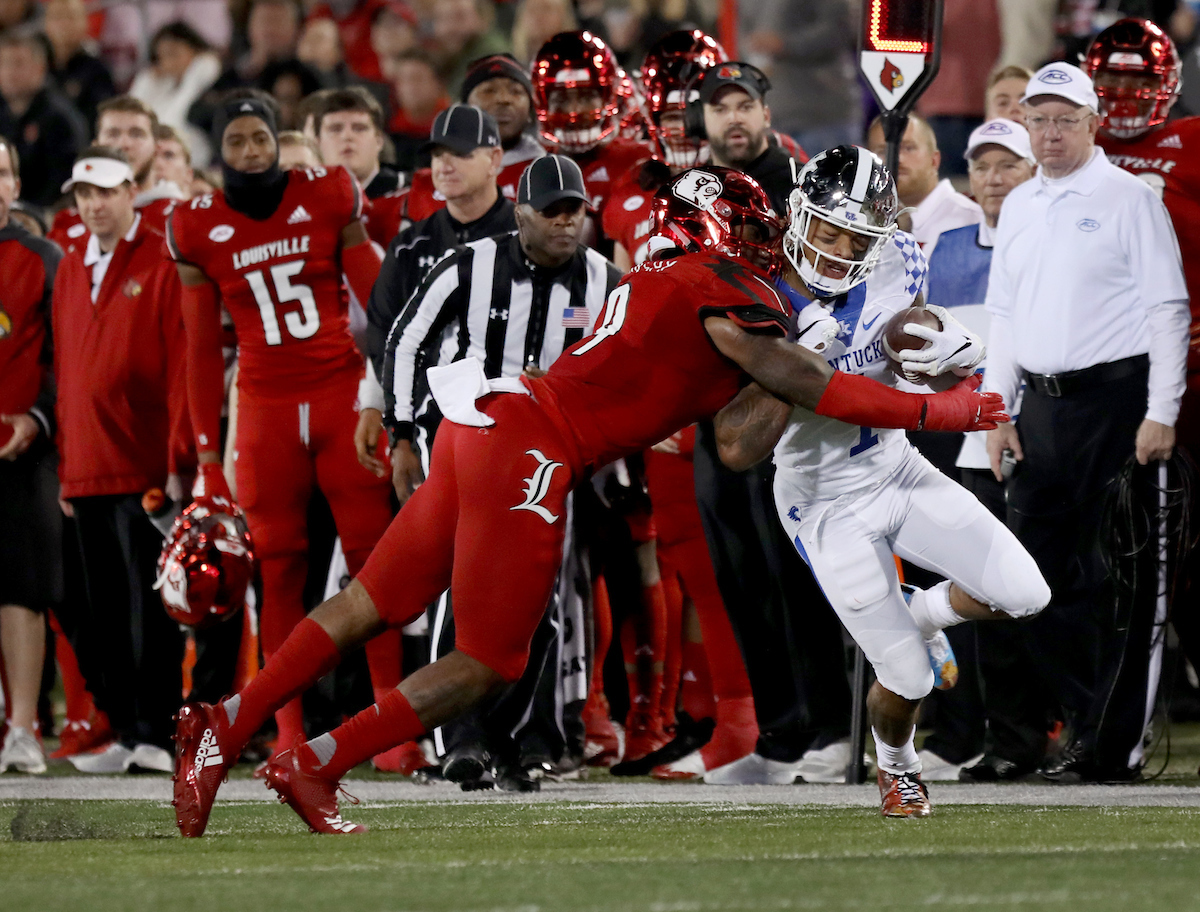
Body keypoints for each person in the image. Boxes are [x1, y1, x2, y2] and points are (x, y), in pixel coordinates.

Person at [172, 164, 1007, 837]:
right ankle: (315, 761)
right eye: (750, 229)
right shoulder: (718, 285)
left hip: (492, 421)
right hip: (532, 448)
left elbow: (741, 435)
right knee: (489, 659)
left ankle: (225, 725)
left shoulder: (676, 278)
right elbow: (807, 382)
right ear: (721, 231)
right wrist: (945, 409)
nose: (765, 244)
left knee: (372, 600)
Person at [713, 145, 1049, 816]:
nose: (839, 250)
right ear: (797, 216)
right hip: (821, 500)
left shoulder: (899, 257)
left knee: (1025, 592)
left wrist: (939, 354)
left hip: (896, 466)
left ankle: (918, 614)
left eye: (856, 237)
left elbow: (906, 346)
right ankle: (896, 765)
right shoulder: (754, 288)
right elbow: (734, 447)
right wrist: (797, 364)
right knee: (907, 676)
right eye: (829, 231)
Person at [168, 89, 393, 768]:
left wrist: (385, 398)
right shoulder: (195, 223)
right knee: (278, 571)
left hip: (337, 391)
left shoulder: (327, 191)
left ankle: (387, 720)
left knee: (372, 556)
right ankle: (288, 728)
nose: (248, 152)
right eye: (234, 142)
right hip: (263, 406)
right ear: (218, 148)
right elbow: (202, 351)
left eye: (258, 138)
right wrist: (209, 458)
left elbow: (378, 298)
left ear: (276, 136)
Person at [381, 154, 618, 788]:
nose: (567, 223)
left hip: (549, 462)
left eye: (576, 211)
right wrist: (401, 433)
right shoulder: (470, 266)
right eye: (554, 211)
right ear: (520, 214)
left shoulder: (605, 281)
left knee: (542, 600)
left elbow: (627, 371)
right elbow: (407, 338)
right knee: (465, 591)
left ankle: (524, 738)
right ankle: (459, 739)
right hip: (471, 450)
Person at [983, 63, 1189, 783]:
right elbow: (1003, 312)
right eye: (1038, 119)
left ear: (1093, 123)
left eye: (1064, 119)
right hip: (1039, 409)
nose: (1050, 132)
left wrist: (1162, 411)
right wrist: (997, 408)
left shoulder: (1130, 197)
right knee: (1024, 581)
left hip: (1116, 404)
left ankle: (1112, 749)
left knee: (1122, 581)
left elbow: (1169, 308)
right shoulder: (1021, 206)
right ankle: (1087, 721)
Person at [684, 58, 852, 786]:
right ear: (704, 119)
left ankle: (831, 725)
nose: (734, 119)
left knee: (792, 568)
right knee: (740, 573)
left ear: (763, 107)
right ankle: (782, 734)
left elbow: (838, 282)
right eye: (720, 107)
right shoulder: (692, 191)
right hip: (710, 399)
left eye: (743, 104)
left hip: (784, 398)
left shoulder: (811, 185)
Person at [53, 147, 193, 774]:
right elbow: (65, 369)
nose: (94, 205)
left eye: (106, 192)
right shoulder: (68, 266)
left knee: (151, 606)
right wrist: (64, 462)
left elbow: (179, 366)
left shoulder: (160, 258)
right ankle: (123, 728)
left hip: (144, 463)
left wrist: (177, 461)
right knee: (102, 605)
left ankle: (157, 733)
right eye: (85, 196)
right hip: (85, 462)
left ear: (131, 190)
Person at [1086, 20, 1200, 738]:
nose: (1125, 95)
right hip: (1105, 377)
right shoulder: (1070, 145)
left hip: (1191, 371)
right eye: (1114, 81)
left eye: (1138, 80)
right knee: (1112, 550)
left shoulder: (1193, 142)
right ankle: (1116, 716)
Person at [918, 120, 1039, 783]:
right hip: (964, 443)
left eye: (1008, 166)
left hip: (1040, 432)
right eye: (984, 167)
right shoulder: (947, 247)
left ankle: (1042, 728)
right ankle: (992, 733)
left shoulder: (1045, 240)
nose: (994, 179)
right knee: (982, 589)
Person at [0, 137, 61, 775]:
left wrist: (37, 419)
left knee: (22, 589)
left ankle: (23, 729)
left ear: (14, 185)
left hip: (24, 451)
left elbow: (65, 354)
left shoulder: (45, 258)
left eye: (0, 172)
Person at [529, 31, 651, 250]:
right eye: (562, 100)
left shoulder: (639, 160)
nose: (574, 111)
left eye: (586, 98)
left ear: (609, 96)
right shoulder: (530, 164)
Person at [399, 54, 545, 221]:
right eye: (489, 91)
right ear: (465, 106)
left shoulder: (549, 173)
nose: (504, 99)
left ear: (531, 111)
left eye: (516, 91)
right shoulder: (427, 183)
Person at [49, 96, 186, 254]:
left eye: (136, 134)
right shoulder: (67, 224)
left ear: (156, 148)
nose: (124, 145)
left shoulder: (181, 220)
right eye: (113, 134)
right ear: (96, 146)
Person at [739, 0, 861, 155]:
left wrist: (785, 45)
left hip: (822, 116)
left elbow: (838, 30)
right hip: (774, 117)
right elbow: (744, 35)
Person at [866, 113, 981, 255]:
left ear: (934, 160)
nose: (897, 159)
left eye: (908, 148)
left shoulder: (971, 221)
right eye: (883, 151)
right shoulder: (860, 222)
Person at [0, 27, 88, 207]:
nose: (9, 72)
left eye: (18, 63)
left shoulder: (60, 119)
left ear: (40, 68)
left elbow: (62, 185)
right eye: (4, 63)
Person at [313, 86, 405, 246]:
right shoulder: (305, 206)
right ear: (317, 143)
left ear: (379, 140)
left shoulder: (411, 195)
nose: (347, 136)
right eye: (335, 129)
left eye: (359, 128)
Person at [129, 21, 221, 167]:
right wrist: (146, 79)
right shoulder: (164, 88)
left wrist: (201, 58)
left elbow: (208, 64)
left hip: (196, 163)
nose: (168, 61)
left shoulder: (202, 76)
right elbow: (133, 112)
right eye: (162, 56)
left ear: (195, 50)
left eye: (174, 53)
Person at [42, 0, 116, 132]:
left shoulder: (97, 71)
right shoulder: (37, 69)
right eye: (57, 17)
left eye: (71, 17)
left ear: (86, 23)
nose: (64, 24)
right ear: (45, 24)